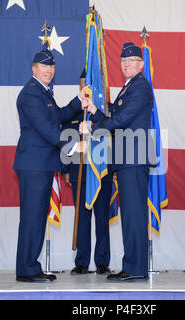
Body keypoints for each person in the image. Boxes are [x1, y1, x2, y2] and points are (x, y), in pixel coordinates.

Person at [80, 42, 154, 281]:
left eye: (132, 61)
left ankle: (135, 268)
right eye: (123, 61)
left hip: (134, 157)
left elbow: (121, 119)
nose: (127, 65)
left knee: (134, 215)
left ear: (141, 64)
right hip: (126, 158)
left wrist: (93, 128)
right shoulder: (129, 87)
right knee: (130, 215)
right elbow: (115, 117)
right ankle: (133, 266)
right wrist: (93, 110)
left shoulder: (141, 86)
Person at [13, 49, 86, 283]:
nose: (49, 70)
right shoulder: (31, 94)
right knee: (32, 218)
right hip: (34, 165)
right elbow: (47, 129)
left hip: (40, 165)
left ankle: (30, 266)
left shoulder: (43, 93)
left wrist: (78, 101)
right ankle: (27, 269)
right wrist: (74, 147)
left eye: (52, 67)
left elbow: (58, 117)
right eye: (45, 67)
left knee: (36, 217)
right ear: (34, 69)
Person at [63, 69, 112, 275]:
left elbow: (113, 136)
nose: (87, 89)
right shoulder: (72, 111)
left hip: (102, 172)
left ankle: (102, 262)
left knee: (102, 218)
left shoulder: (105, 111)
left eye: (91, 85)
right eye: (84, 85)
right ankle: (81, 262)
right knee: (82, 217)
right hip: (79, 171)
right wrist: (66, 168)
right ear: (80, 87)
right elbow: (65, 139)